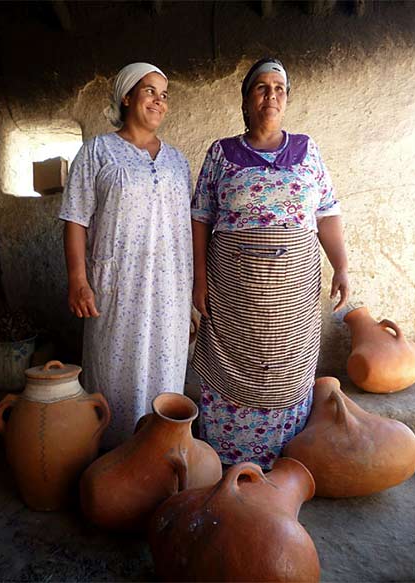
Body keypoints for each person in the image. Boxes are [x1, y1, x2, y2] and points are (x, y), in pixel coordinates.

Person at [191, 57, 350, 470]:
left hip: (292, 291)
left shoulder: (307, 150)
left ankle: (282, 463)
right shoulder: (221, 153)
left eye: (279, 88)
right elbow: (201, 217)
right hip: (233, 289)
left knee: (286, 367)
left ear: (287, 100)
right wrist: (199, 280)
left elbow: (328, 213)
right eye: (261, 87)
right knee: (230, 361)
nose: (271, 95)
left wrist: (342, 267)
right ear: (246, 100)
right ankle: (225, 460)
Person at [59, 63, 193, 449]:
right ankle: (114, 460)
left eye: (164, 95)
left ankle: (161, 453)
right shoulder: (97, 152)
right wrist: (78, 279)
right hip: (118, 285)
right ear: (127, 96)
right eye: (150, 91)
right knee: (114, 370)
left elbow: (182, 228)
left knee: (165, 369)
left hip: (169, 287)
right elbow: (75, 218)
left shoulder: (177, 161)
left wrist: (189, 298)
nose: (158, 101)